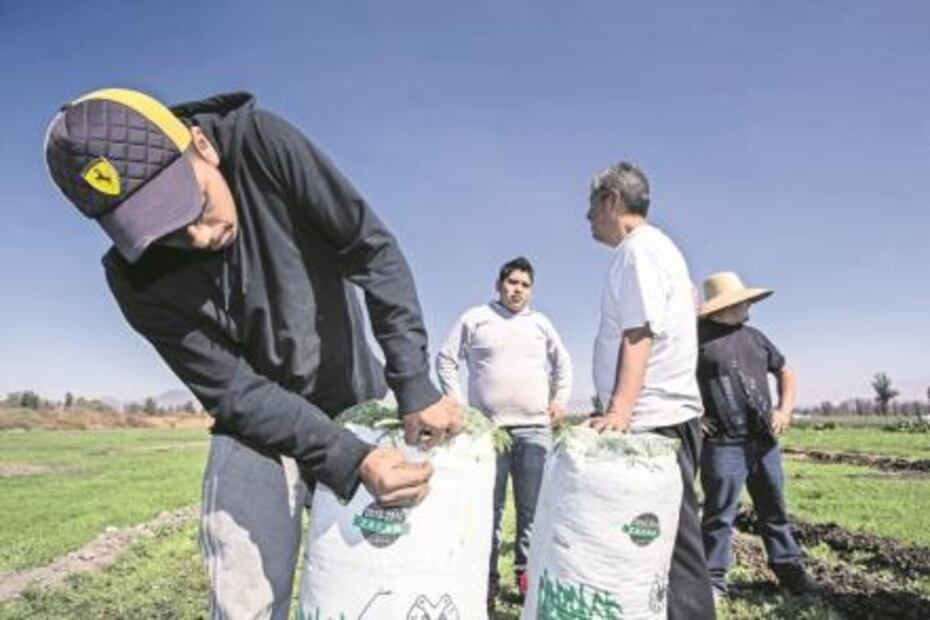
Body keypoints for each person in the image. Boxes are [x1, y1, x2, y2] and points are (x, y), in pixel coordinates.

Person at [43, 88, 462, 619]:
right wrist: (347, 459)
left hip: (354, 400)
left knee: (378, 587)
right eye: (163, 234)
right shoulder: (132, 280)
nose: (197, 236)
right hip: (257, 429)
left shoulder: (263, 143)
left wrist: (411, 379)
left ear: (201, 146)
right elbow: (234, 390)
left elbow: (370, 249)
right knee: (243, 598)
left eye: (190, 203)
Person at [586, 161, 715, 619]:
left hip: (654, 420)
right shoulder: (665, 251)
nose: (588, 219)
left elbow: (639, 332)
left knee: (674, 546)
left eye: (591, 208)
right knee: (659, 541)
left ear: (611, 202)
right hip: (666, 415)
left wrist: (620, 409)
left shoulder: (637, 251)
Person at [436, 256, 573, 612]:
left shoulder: (541, 323)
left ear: (532, 290)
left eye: (525, 285)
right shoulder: (475, 318)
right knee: (488, 512)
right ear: (499, 285)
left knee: (531, 513)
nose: (518, 290)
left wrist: (559, 400)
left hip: (535, 431)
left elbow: (563, 364)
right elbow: (446, 359)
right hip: (489, 433)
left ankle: (527, 584)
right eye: (512, 282)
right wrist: (457, 403)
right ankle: (485, 585)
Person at [696, 271, 818, 599]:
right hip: (722, 444)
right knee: (719, 515)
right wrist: (696, 417)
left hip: (763, 442)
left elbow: (785, 370)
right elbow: (675, 380)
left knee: (774, 508)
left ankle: (790, 572)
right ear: (726, 305)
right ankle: (713, 580)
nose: (749, 304)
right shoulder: (696, 340)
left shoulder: (755, 337)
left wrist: (784, 409)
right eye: (743, 300)